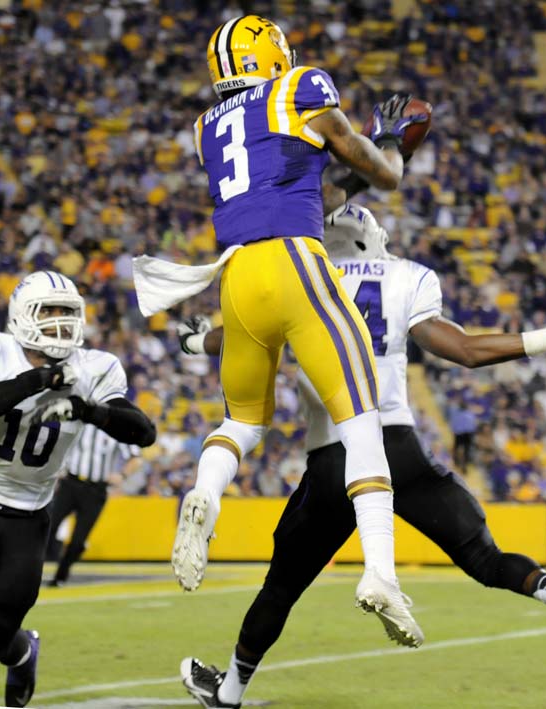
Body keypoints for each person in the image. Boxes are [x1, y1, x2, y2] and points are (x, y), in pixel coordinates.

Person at [176, 205, 546, 708]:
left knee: (281, 588)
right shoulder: (406, 275)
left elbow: (241, 335)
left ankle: (230, 692)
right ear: (375, 238)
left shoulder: (307, 277)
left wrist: (196, 340)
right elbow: (464, 351)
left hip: (332, 456)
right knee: (485, 557)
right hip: (398, 449)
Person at [136, 14, 429, 647]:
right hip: (295, 260)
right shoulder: (298, 86)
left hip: (237, 276)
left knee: (242, 419)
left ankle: (204, 496)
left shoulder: (205, 128)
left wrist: (353, 148)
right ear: (272, 54)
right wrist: (390, 139)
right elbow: (383, 175)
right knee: (362, 425)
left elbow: (299, 179)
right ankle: (380, 573)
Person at [0, 270, 156, 707]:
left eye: (67, 312)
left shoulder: (93, 368)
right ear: (21, 315)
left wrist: (88, 410)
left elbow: (143, 432)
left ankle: (23, 652)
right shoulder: (1, 352)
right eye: (48, 311)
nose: (59, 322)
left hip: (27, 513)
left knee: (2, 630)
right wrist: (39, 382)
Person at [46, 423, 141, 587]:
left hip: (96, 490)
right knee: (46, 526)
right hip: (71, 483)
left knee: (78, 540)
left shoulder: (116, 427)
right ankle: (26, 568)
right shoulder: (81, 422)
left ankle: (60, 577)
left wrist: (122, 475)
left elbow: (136, 457)